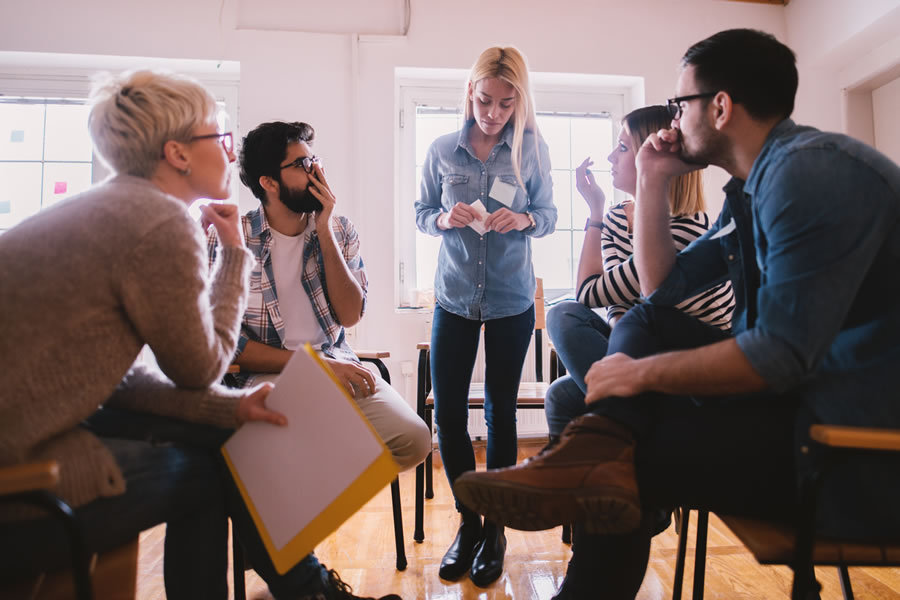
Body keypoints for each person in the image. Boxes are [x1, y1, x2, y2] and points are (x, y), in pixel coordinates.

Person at [453, 28, 900, 599]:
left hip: (849, 447)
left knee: (619, 460)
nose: (672, 118)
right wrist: (652, 180)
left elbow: (780, 354)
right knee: (613, 358)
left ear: (719, 107)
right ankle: (596, 463)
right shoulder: (754, 186)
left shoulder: (807, 176)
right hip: (798, 411)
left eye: (678, 104)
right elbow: (662, 289)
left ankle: (592, 500)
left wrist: (638, 374)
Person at [0, 70, 400, 600]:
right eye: (221, 137)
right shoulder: (161, 224)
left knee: (222, 443)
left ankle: (310, 590)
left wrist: (228, 411)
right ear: (178, 153)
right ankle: (310, 590)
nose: (231, 155)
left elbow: (123, 381)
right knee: (208, 475)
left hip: (42, 431)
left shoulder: (111, 207)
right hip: (18, 483)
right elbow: (202, 368)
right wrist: (234, 251)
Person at [208, 120, 430, 474]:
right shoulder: (230, 238)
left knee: (414, 439)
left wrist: (324, 229)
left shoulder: (340, 230)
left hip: (336, 362)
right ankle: (300, 501)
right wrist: (312, 367)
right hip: (267, 376)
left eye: (314, 161)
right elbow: (226, 344)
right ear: (268, 183)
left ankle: (310, 491)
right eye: (300, 165)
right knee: (278, 447)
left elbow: (350, 315)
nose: (315, 172)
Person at [415, 45, 556, 587]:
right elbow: (422, 213)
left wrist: (521, 218)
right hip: (453, 299)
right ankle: (469, 524)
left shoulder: (532, 152)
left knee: (500, 412)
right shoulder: (441, 151)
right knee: (448, 413)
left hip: (510, 302)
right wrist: (441, 219)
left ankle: (494, 530)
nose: (492, 113)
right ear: (469, 93)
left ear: (519, 101)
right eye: (483, 101)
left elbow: (547, 216)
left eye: (504, 103)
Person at [544, 105, 734, 443]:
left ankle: (626, 426)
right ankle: (581, 484)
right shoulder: (619, 217)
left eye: (621, 148)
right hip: (641, 341)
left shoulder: (688, 230)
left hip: (688, 363)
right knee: (560, 386)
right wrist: (598, 211)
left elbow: (591, 292)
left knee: (567, 316)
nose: (610, 157)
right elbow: (610, 299)